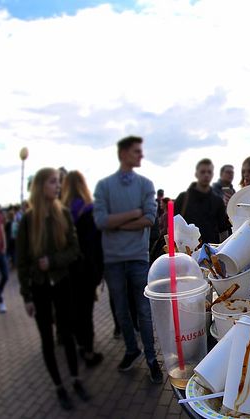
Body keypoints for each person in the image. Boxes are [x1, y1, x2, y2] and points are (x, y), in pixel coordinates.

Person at [17, 168, 90, 410]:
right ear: (40, 186)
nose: (57, 186)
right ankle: (59, 386)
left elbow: (74, 250)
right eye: (52, 182)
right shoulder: (28, 220)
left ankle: (76, 379)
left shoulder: (65, 214)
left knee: (67, 333)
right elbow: (22, 262)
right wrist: (26, 295)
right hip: (39, 288)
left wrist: (53, 261)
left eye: (58, 182)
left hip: (62, 283)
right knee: (47, 340)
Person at [93, 136, 162, 383]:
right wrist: (133, 214)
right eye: (135, 151)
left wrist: (117, 222)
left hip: (137, 258)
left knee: (144, 310)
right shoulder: (104, 186)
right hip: (113, 260)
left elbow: (149, 219)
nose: (140, 156)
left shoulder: (146, 185)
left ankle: (152, 358)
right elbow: (101, 221)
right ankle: (132, 350)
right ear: (122, 153)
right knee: (121, 311)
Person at [62, 170, 104, 368]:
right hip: (86, 268)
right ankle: (88, 350)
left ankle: (79, 343)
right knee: (86, 311)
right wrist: (98, 272)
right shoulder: (89, 210)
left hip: (67, 270)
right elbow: (95, 245)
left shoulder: (61, 211)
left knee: (74, 308)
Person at [175, 158, 232, 244]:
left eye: (209, 172)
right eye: (203, 172)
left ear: (212, 174)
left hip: (210, 251)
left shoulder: (217, 201)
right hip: (186, 251)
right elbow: (173, 225)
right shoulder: (183, 198)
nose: (206, 175)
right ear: (196, 174)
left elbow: (223, 229)